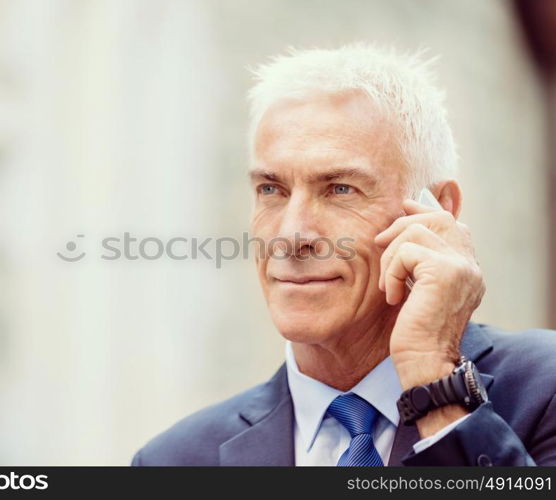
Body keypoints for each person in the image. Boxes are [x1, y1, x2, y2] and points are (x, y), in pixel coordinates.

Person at [131, 44, 556, 466]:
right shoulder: (174, 461)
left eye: (340, 189)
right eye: (271, 189)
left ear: (437, 211)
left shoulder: (544, 391)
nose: (290, 235)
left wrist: (434, 379)